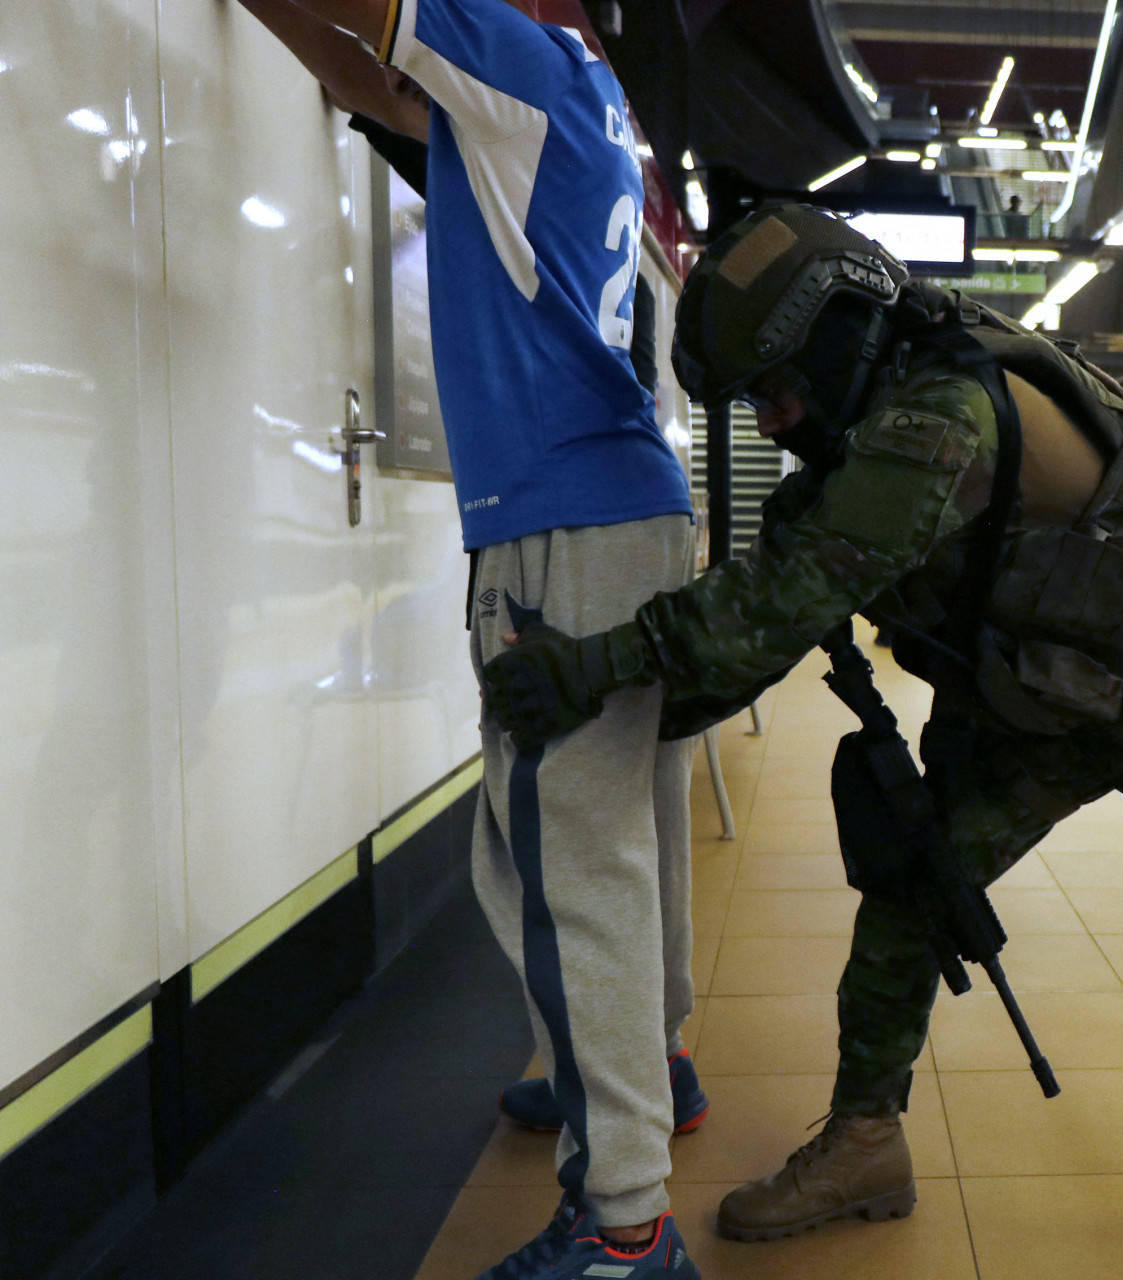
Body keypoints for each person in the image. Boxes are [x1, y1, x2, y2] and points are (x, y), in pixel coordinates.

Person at [481, 204, 1123, 1259]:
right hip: (1037, 704)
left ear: (836, 340)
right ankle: (866, 1136)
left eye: (779, 389)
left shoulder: (940, 415)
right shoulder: (867, 430)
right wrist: (633, 713)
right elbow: (764, 624)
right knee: (910, 899)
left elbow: (781, 600)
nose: (774, 421)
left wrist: (595, 670)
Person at [230, 1, 703, 1275]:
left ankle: (626, 1225)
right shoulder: (576, 87)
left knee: (564, 867)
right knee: (629, 837)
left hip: (563, 525)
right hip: (633, 508)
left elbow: (376, 21)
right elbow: (367, 80)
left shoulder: (506, 48)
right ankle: (649, 1066)